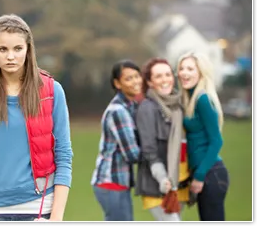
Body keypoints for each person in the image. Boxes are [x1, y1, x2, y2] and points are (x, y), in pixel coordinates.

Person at [0, 14, 73, 222]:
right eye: (3, 49)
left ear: (28, 50)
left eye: (17, 49)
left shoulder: (51, 91)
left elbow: (64, 155)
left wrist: (56, 218)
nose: (10, 56)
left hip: (39, 209)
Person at [135, 58, 191, 221]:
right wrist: (162, 178)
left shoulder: (178, 105)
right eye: (158, 76)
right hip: (159, 183)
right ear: (150, 82)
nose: (165, 79)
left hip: (180, 182)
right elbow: (149, 150)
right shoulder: (147, 108)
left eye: (167, 74)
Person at [177, 51, 229, 221]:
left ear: (201, 73)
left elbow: (216, 141)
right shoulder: (189, 98)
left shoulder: (202, 99)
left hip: (211, 174)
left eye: (190, 69)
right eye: (182, 68)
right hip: (203, 172)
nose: (184, 73)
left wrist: (199, 177)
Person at [90, 60, 142, 221]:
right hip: (111, 182)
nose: (135, 81)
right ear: (117, 84)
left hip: (118, 183)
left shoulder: (130, 106)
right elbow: (132, 154)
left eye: (136, 76)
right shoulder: (118, 111)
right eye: (128, 78)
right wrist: (158, 155)